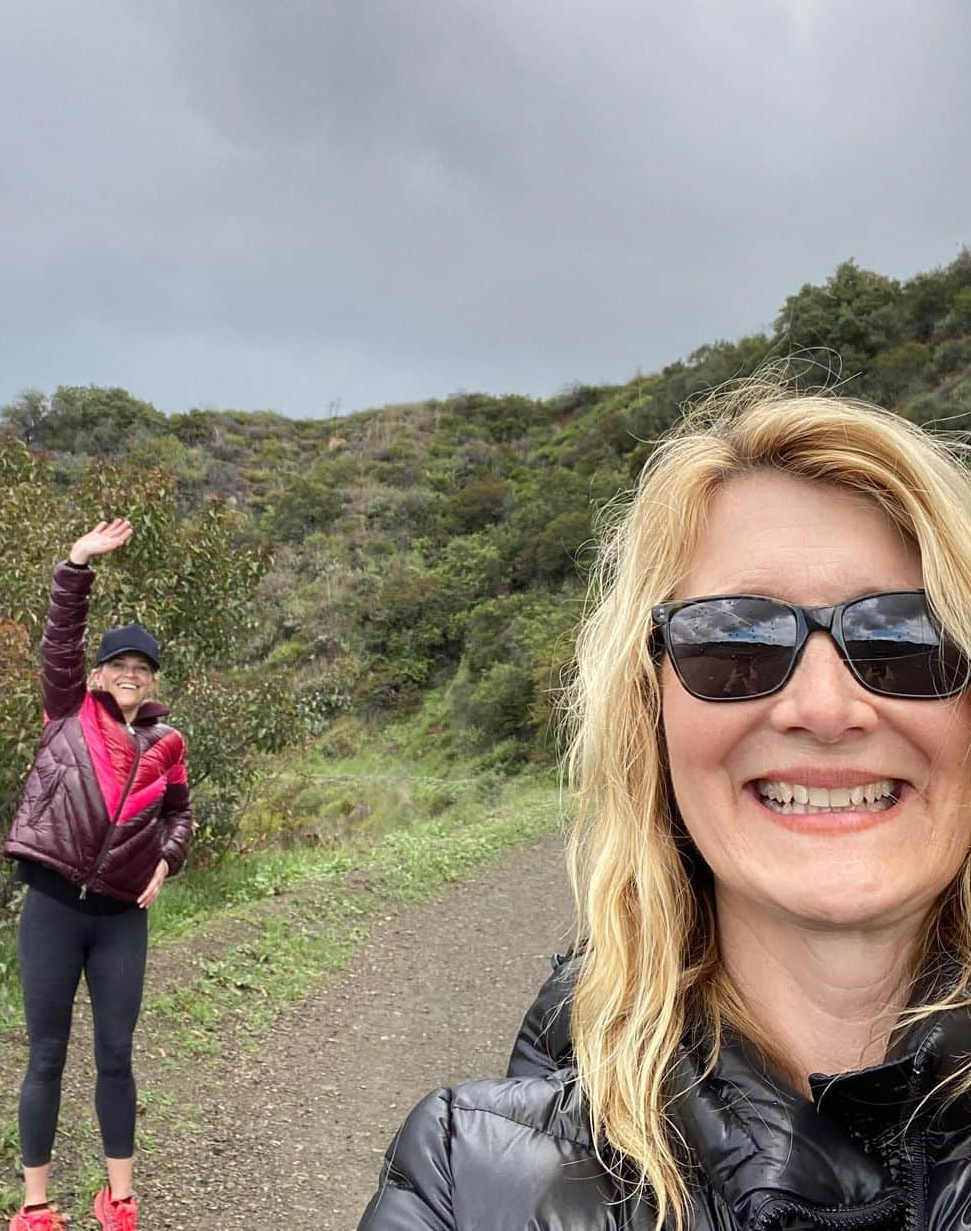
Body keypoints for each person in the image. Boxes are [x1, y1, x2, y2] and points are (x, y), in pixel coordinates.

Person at [357, 381, 971, 1230]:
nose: (827, 710)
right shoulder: (471, 1181)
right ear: (651, 714)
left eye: (906, 638)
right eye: (736, 641)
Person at [4, 520, 192, 1231]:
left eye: (143, 668)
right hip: (53, 905)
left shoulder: (167, 743)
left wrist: (167, 863)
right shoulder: (67, 714)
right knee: (46, 1056)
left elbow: (180, 815)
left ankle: (119, 1198)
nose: (131, 674)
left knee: (116, 1055)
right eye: (120, 664)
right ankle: (37, 1206)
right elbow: (59, 635)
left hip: (120, 918)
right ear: (97, 674)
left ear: (152, 681)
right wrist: (78, 562)